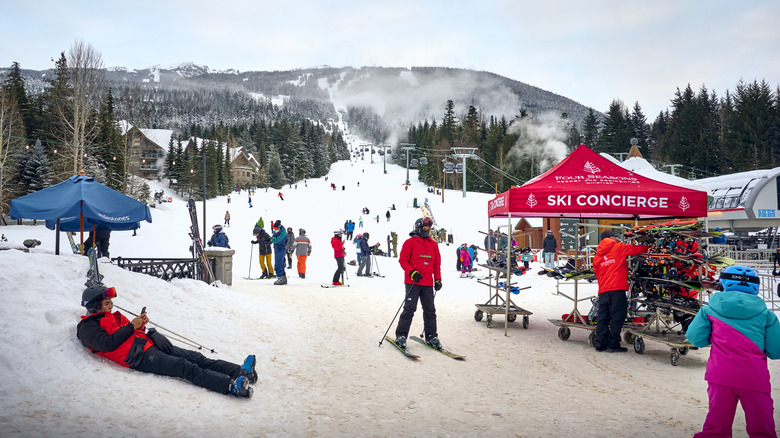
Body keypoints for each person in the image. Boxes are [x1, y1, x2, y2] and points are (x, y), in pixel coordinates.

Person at [76, 285, 255, 398]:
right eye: (107, 303)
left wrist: (148, 331)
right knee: (185, 366)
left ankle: (241, 372)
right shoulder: (87, 327)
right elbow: (107, 344)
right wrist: (132, 327)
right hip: (138, 357)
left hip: (149, 344)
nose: (111, 306)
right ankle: (231, 386)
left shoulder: (114, 316)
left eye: (111, 303)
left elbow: (130, 332)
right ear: (94, 305)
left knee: (196, 357)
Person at [686, 265, 780, 437]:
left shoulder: (709, 310)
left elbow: (695, 338)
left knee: (716, 428)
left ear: (724, 283)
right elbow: (776, 350)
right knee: (762, 429)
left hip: (720, 376)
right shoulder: (766, 315)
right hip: (754, 379)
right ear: (755, 286)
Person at [592, 230, 649, 352]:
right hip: (617, 289)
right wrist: (649, 247)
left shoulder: (597, 256)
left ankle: (600, 344)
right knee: (617, 317)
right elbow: (635, 249)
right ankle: (613, 344)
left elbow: (597, 273)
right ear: (611, 237)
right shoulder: (618, 247)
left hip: (603, 290)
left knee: (603, 317)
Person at [394, 217, 443, 350]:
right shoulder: (410, 242)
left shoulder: (433, 244)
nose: (427, 231)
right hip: (413, 282)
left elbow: (436, 264)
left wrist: (438, 279)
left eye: (428, 228)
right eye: (425, 228)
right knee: (409, 309)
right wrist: (412, 272)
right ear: (418, 228)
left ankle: (432, 336)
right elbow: (403, 260)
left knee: (430, 311)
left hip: (427, 283)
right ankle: (401, 335)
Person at [271, 220, 288, 285]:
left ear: (279, 227)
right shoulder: (277, 232)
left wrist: (273, 239)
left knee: (278, 264)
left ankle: (281, 277)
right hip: (277, 249)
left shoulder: (283, 233)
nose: (275, 230)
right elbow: (272, 238)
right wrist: (272, 239)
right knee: (279, 263)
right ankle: (283, 277)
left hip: (281, 249)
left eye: (276, 228)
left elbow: (276, 240)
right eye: (274, 228)